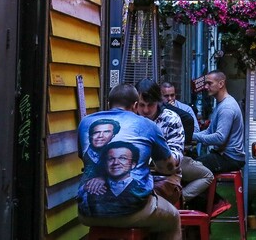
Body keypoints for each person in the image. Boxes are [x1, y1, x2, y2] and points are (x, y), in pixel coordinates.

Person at [76, 83, 181, 240]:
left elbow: (85, 161)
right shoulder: (147, 125)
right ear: (135, 105)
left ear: (108, 105)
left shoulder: (85, 123)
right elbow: (167, 168)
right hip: (133, 211)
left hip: (86, 213)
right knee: (173, 219)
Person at [141, 79, 215, 207]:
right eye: (142, 105)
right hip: (140, 174)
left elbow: (176, 156)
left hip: (166, 172)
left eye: (150, 105)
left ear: (158, 101)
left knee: (206, 173)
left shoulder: (173, 117)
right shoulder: (132, 117)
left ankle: (181, 201)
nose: (146, 110)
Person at [193, 71, 246, 174]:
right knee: (192, 164)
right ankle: (209, 191)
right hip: (224, 155)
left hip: (231, 158)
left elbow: (220, 138)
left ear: (221, 84)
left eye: (209, 83)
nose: (206, 87)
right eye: (205, 83)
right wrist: (191, 135)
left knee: (190, 169)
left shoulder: (227, 107)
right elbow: (209, 131)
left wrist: (194, 137)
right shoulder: (221, 104)